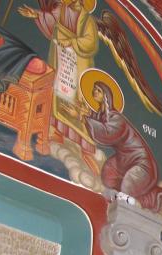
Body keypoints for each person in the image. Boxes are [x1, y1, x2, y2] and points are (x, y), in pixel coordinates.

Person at [65, 79, 162, 212]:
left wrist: (82, 118)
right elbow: (101, 120)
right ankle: (137, 196)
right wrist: (88, 113)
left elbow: (107, 132)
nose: (94, 92)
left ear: (106, 96)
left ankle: (155, 199)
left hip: (141, 162)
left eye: (99, 90)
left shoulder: (117, 118)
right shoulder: (105, 116)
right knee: (107, 175)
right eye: (94, 89)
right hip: (124, 160)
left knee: (128, 185)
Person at [18, 0, 99, 169]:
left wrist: (72, 42)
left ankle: (84, 149)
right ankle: (58, 133)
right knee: (58, 95)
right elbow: (52, 20)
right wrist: (36, 15)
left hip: (78, 65)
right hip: (61, 58)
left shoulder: (87, 20)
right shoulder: (62, 10)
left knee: (78, 102)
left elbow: (90, 42)